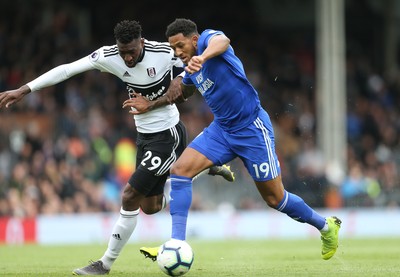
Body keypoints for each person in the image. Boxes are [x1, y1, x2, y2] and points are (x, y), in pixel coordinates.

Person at [0, 20, 234, 275]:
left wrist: (184, 82)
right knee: (150, 207)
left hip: (168, 135)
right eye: (123, 52)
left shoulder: (164, 53)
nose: (128, 57)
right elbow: (67, 69)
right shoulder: (109, 56)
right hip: (144, 138)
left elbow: (195, 65)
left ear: (141, 43)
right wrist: (25, 89)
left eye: (132, 51)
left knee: (130, 195)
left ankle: (104, 263)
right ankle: (201, 168)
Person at [139, 18, 342, 262]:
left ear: (193, 40)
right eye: (173, 48)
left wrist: (201, 58)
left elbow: (223, 41)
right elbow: (182, 90)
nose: (177, 52)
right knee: (180, 170)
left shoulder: (207, 41)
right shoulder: (191, 69)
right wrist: (152, 103)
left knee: (275, 199)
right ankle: (176, 244)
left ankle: (326, 226)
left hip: (252, 129)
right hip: (222, 130)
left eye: (180, 46)